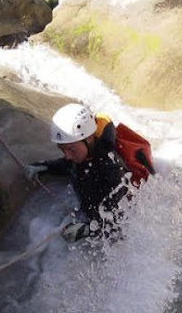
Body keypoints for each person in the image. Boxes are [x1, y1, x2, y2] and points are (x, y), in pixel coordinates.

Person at [25, 103, 130, 242]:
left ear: (89, 138)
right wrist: (45, 167)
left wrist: (87, 230)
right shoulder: (83, 154)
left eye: (71, 150)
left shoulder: (112, 169)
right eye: (62, 150)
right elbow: (68, 164)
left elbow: (120, 219)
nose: (67, 156)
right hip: (90, 214)